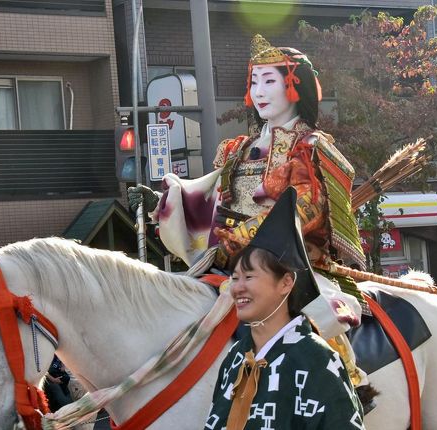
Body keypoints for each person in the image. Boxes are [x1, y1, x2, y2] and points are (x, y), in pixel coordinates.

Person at [129, 34, 367, 387]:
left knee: (317, 314)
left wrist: (251, 234)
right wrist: (162, 204)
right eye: (254, 81)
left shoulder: (311, 147)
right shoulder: (235, 149)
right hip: (228, 262)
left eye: (269, 80)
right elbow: (206, 196)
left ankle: (346, 383)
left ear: (295, 86)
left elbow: (307, 204)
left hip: (290, 262)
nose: (259, 91)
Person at [205, 187, 363, 429]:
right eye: (235, 278)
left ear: (286, 282)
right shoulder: (236, 357)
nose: (237, 288)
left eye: (249, 277)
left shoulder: (317, 360)